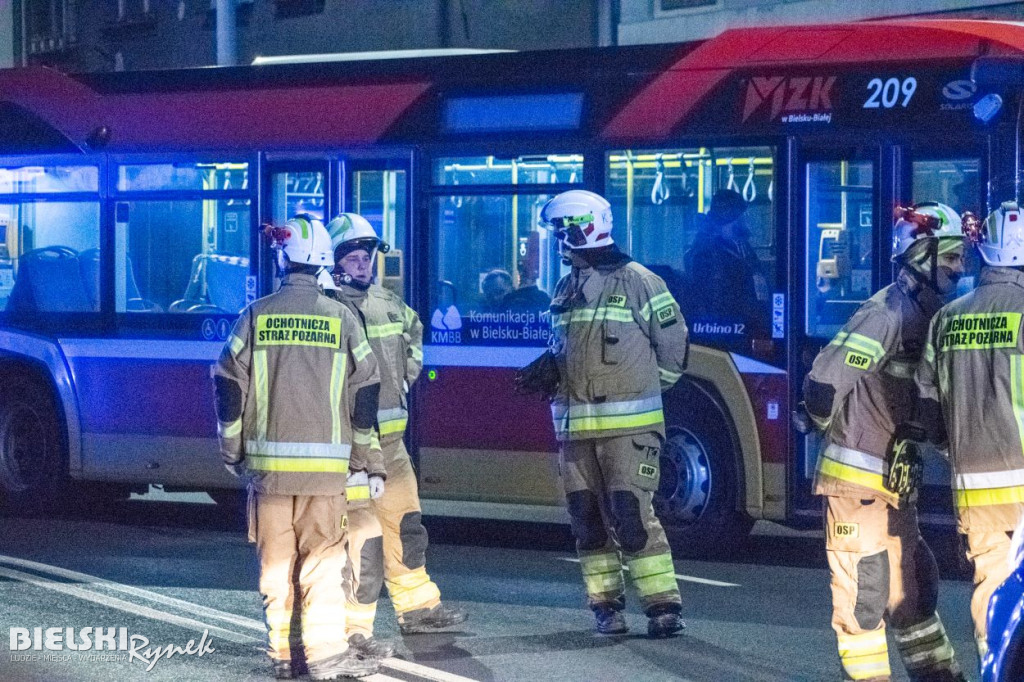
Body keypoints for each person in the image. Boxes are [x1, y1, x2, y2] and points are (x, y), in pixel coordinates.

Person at [212, 215, 385, 680]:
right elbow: (366, 391)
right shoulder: (342, 318)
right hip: (326, 477)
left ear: (283, 259)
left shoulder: (255, 315)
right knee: (323, 567)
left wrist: (232, 450)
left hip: (268, 475)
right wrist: (365, 460)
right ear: (324, 261)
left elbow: (228, 385)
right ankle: (325, 657)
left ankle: (284, 657)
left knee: (276, 567)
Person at [802, 202, 967, 682]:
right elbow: (823, 386)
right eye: (950, 257)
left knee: (912, 590)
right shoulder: (885, 314)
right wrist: (830, 427)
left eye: (960, 257)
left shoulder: (931, 315)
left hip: (895, 485)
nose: (959, 268)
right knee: (866, 596)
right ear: (919, 255)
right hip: (859, 484)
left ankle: (938, 675)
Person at [540, 189, 689, 638]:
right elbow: (567, 349)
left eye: (564, 231)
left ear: (585, 227)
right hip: (575, 431)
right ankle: (605, 607)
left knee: (631, 515)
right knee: (586, 519)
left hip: (630, 430)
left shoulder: (640, 281)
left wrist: (640, 390)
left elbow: (674, 352)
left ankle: (663, 607)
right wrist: (550, 366)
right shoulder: (566, 287)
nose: (559, 240)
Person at [325, 213, 468, 647]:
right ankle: (352, 629)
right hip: (352, 448)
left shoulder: (387, 302)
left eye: (366, 257)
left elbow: (414, 331)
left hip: (391, 445)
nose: (363, 264)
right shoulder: (327, 307)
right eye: (353, 257)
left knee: (406, 527)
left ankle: (419, 609)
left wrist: (407, 374)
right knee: (361, 544)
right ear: (333, 261)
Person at [914, 201, 1024, 663]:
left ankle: (995, 667)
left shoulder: (947, 318)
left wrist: (954, 449)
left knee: (993, 588)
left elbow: (927, 406)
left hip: (977, 489)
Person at [683, 188, 767, 335]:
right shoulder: (706, 252)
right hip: (727, 329)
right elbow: (715, 299)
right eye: (740, 217)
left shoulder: (740, 246)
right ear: (729, 218)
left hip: (743, 325)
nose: (745, 222)